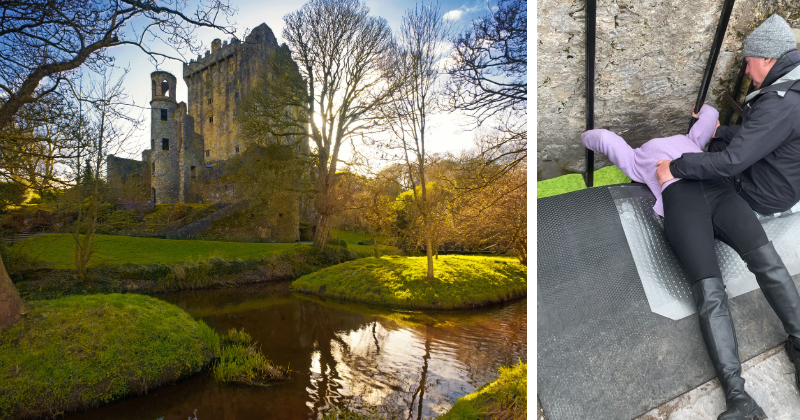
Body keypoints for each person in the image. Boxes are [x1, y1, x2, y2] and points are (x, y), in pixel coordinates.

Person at [583, 104, 774, 420]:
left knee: (720, 289)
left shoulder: (639, 158)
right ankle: (740, 399)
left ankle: (741, 398)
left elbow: (604, 139)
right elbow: (708, 119)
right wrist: (705, 111)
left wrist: (584, 136)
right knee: (731, 282)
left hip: (697, 198)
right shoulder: (684, 145)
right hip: (703, 194)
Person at [654, 12, 800, 412]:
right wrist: (714, 135)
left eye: (749, 62)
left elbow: (735, 158)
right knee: (717, 286)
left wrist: (677, 166)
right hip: (707, 195)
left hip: (743, 189)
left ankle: (745, 391)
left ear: (768, 58)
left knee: (745, 274)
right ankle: (739, 395)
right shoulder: (789, 90)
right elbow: (759, 135)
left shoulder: (782, 102)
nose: (746, 70)